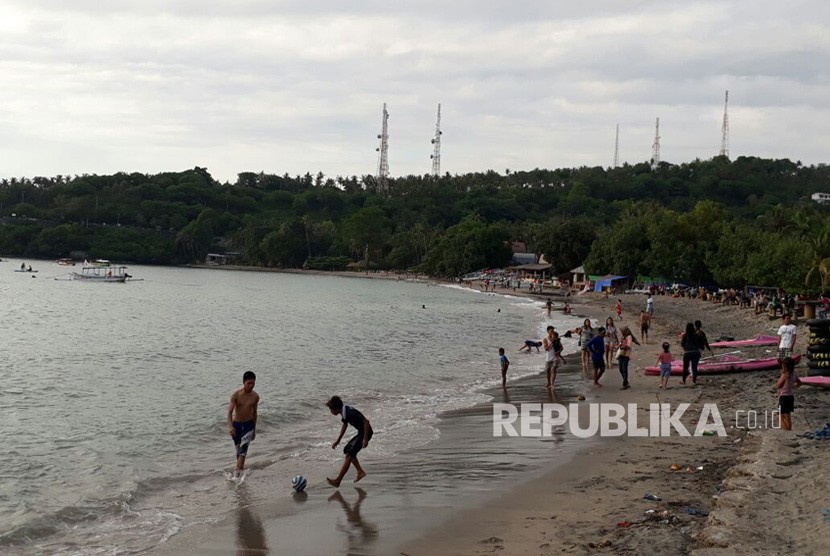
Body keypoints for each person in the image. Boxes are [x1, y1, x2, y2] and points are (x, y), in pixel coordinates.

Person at [326, 395, 373, 487]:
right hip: (361, 432)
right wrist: (338, 441)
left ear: (335, 409)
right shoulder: (344, 412)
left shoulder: (349, 413)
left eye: (330, 409)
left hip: (365, 433)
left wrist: (365, 439)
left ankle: (338, 481)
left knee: (349, 455)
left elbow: (366, 422)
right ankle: (360, 471)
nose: (330, 411)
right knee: (347, 450)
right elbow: (345, 425)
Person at [227, 371, 260, 478]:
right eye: (248, 383)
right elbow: (229, 412)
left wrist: (254, 430)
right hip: (236, 426)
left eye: (253, 383)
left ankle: (236, 479)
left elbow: (255, 413)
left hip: (248, 427)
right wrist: (230, 426)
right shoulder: (236, 395)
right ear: (243, 382)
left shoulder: (255, 397)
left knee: (243, 453)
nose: (251, 386)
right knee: (239, 454)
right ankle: (240, 474)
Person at [777, 357, 801, 431]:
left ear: (785, 367)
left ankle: (786, 429)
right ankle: (788, 428)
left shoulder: (785, 375)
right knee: (787, 415)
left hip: (784, 397)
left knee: (779, 416)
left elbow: (778, 385)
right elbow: (799, 383)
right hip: (790, 396)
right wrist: (792, 386)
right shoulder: (793, 373)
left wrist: (782, 375)